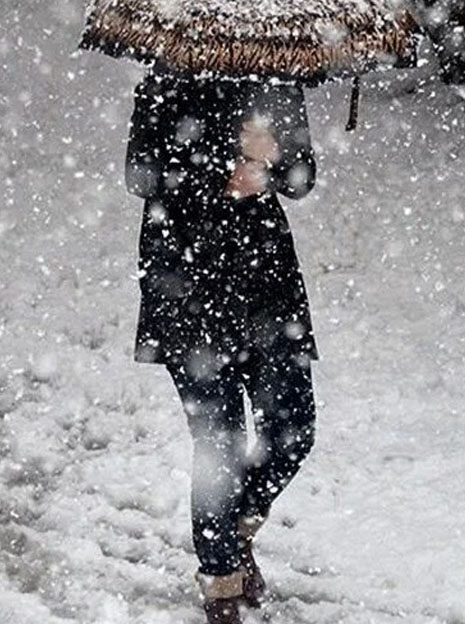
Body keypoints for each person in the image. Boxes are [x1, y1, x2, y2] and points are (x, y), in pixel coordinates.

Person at [125, 63, 318, 624]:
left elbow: (303, 177)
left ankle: (236, 530)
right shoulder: (165, 82)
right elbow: (142, 176)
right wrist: (221, 171)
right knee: (220, 446)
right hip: (188, 285)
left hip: (266, 288)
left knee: (292, 430)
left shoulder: (276, 82)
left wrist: (273, 159)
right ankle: (220, 586)